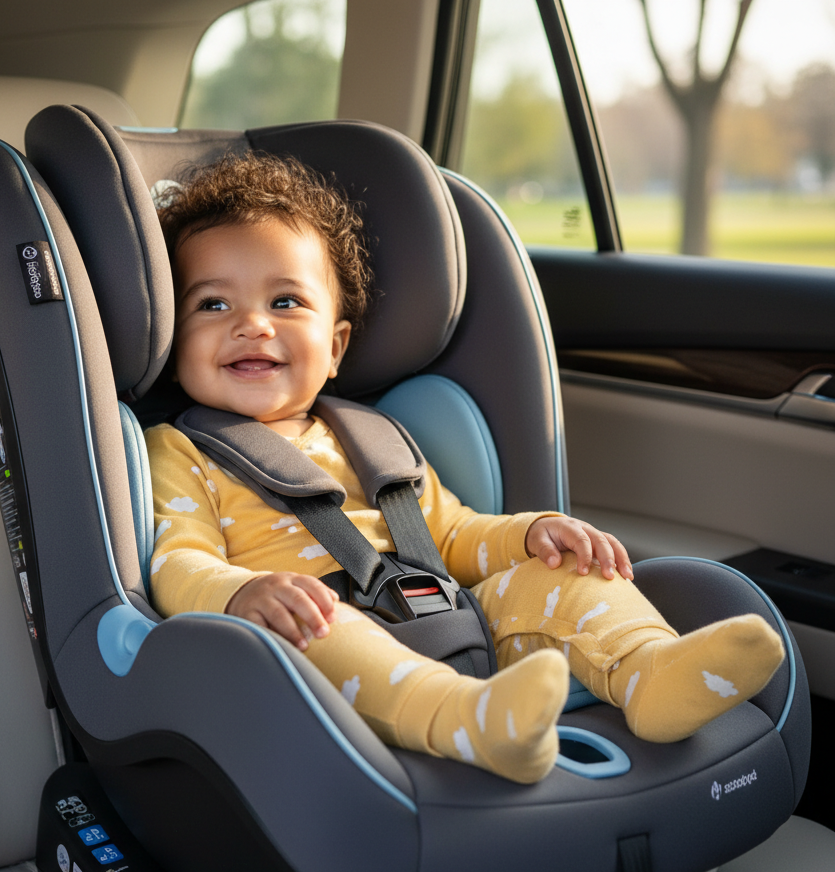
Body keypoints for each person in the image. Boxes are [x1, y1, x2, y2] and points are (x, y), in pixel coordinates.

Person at [144, 151, 783, 784]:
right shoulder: (181, 450)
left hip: (450, 616)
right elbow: (177, 563)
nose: (253, 325)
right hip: (310, 639)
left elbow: (453, 536)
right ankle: (466, 720)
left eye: (285, 302)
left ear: (336, 347)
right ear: (175, 348)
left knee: (567, 578)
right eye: (213, 306)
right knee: (319, 629)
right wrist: (242, 592)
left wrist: (530, 534)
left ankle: (649, 671)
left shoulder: (377, 437)